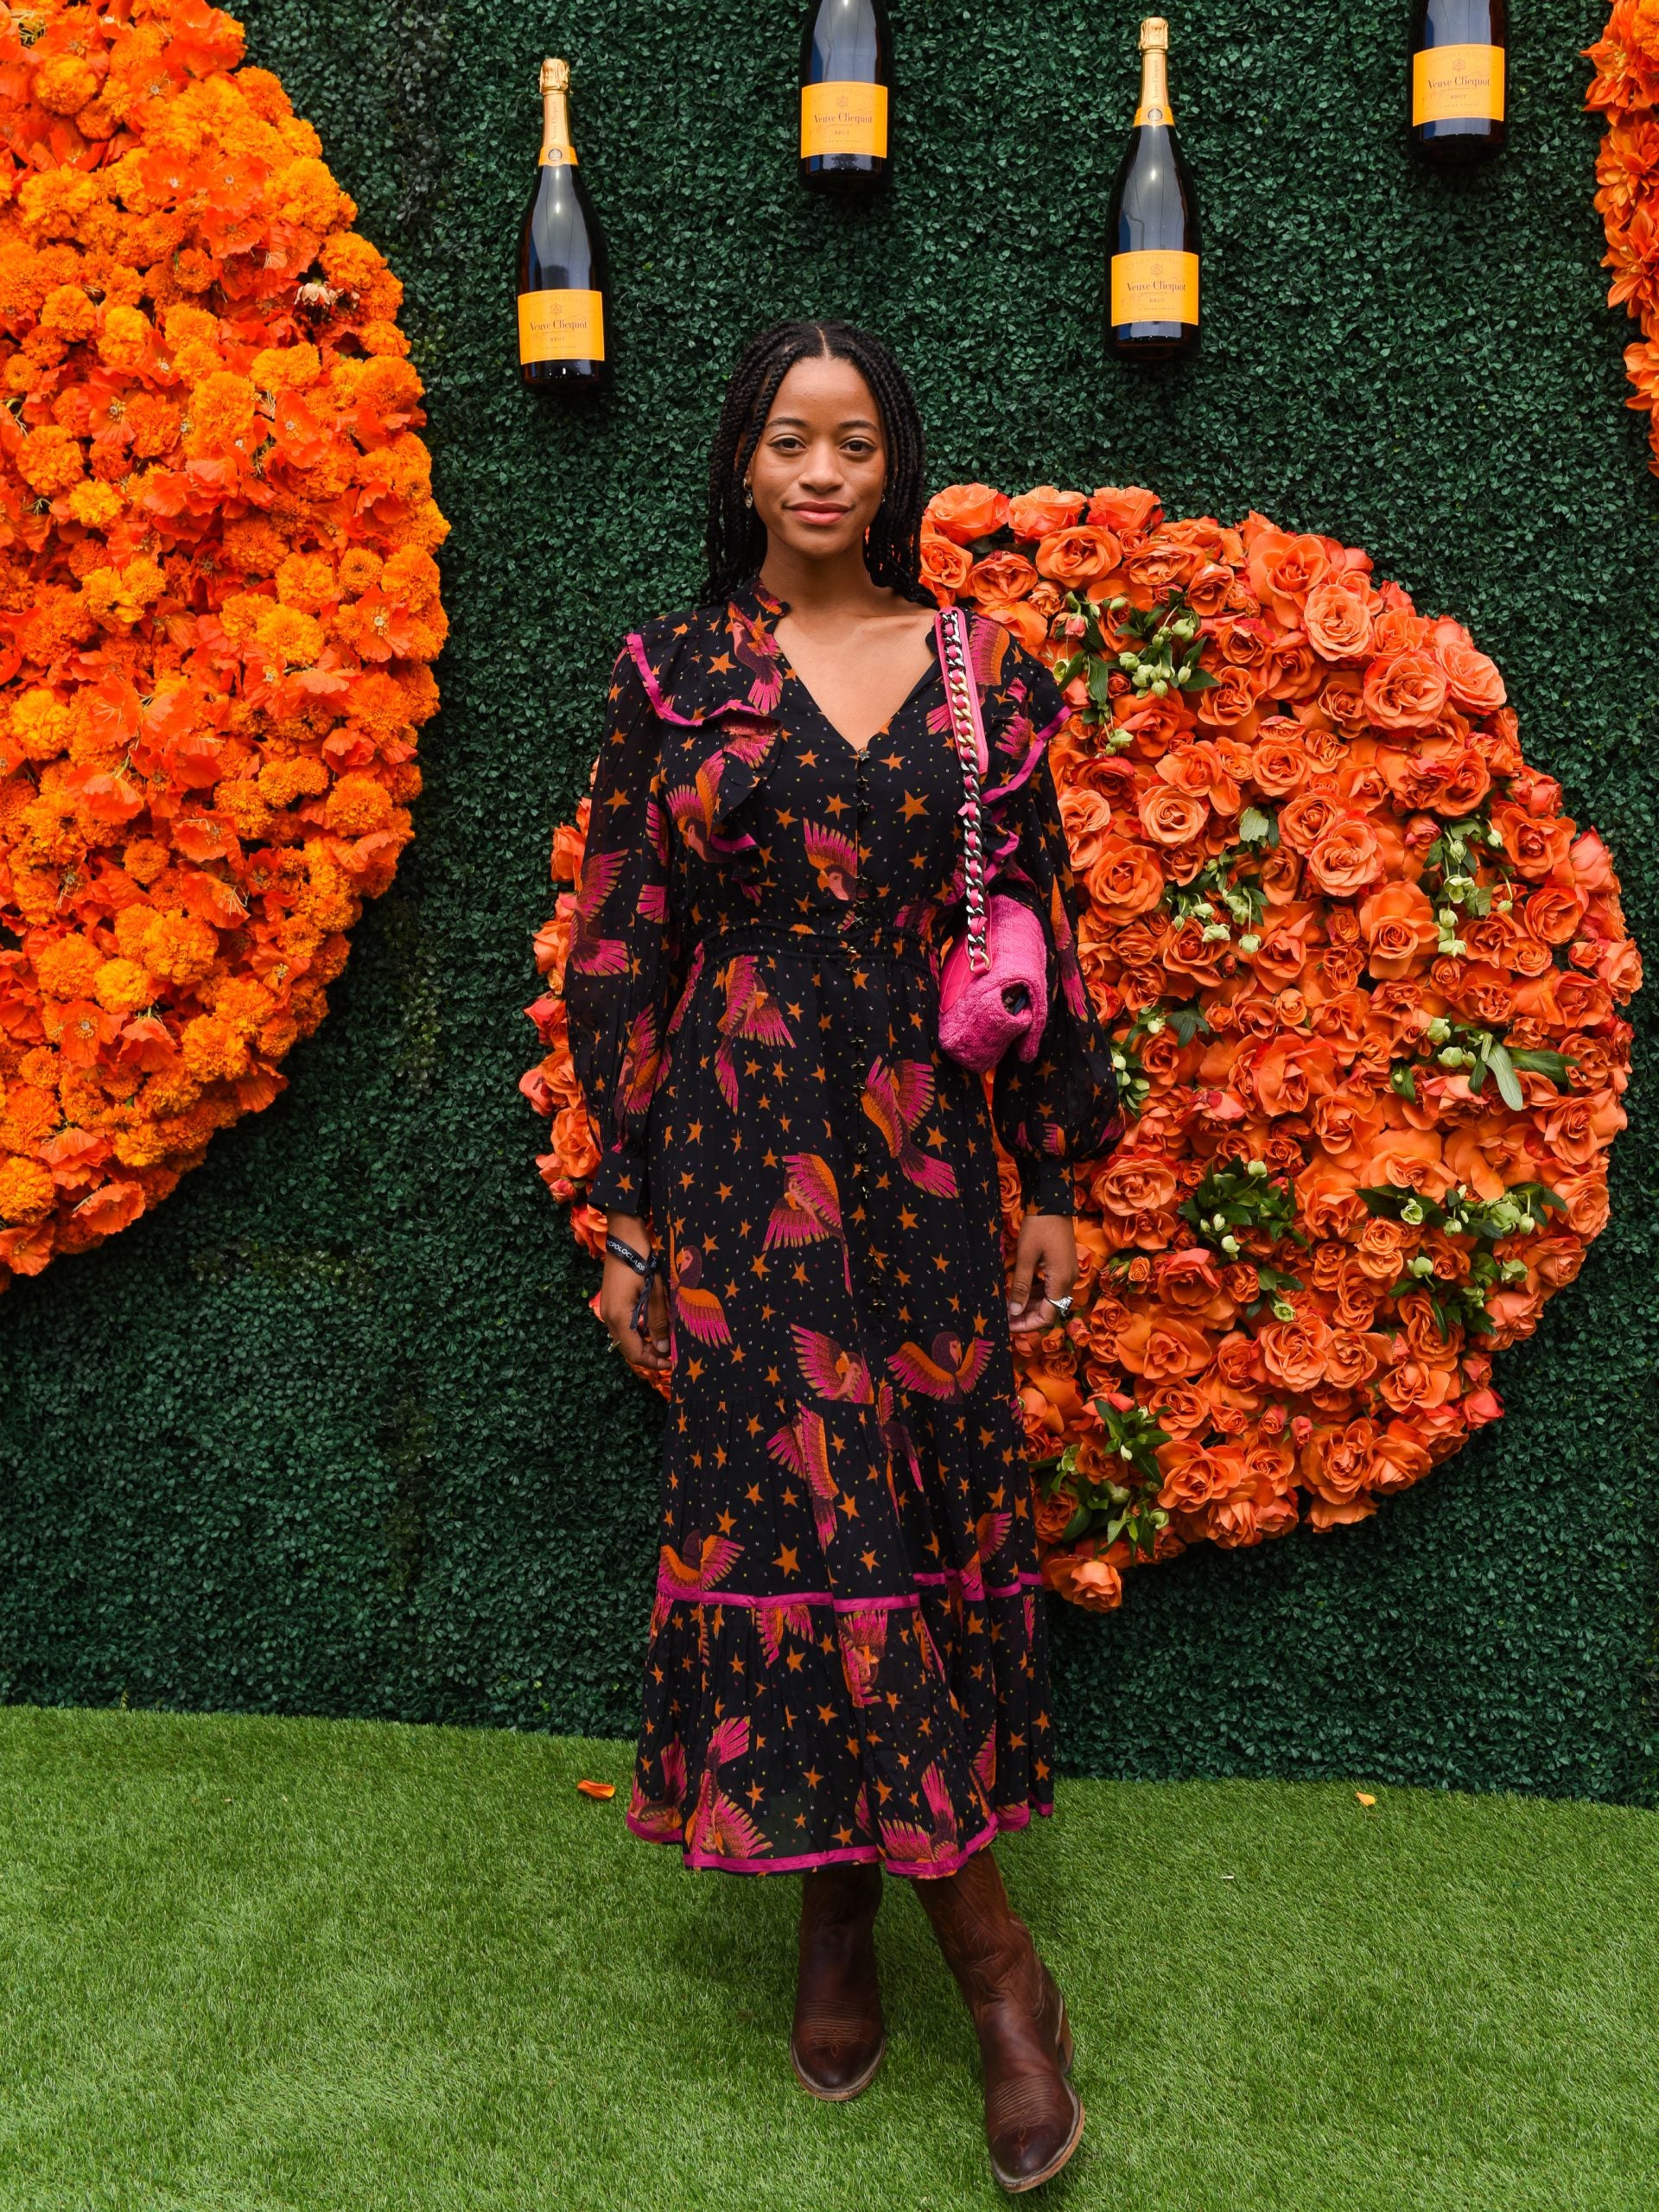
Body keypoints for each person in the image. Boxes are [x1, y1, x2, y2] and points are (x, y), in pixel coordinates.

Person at [563, 318, 1119, 2194]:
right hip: (739, 1154)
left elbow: (1037, 923)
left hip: (928, 1155)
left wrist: (1053, 1167)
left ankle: (839, 1916)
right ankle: (998, 1979)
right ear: (742, 460)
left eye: (856, 442)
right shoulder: (676, 674)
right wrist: (628, 1212)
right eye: (791, 440)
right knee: (814, 1515)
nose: (821, 472)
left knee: (919, 1507)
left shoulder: (982, 674)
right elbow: (622, 945)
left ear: (896, 467)